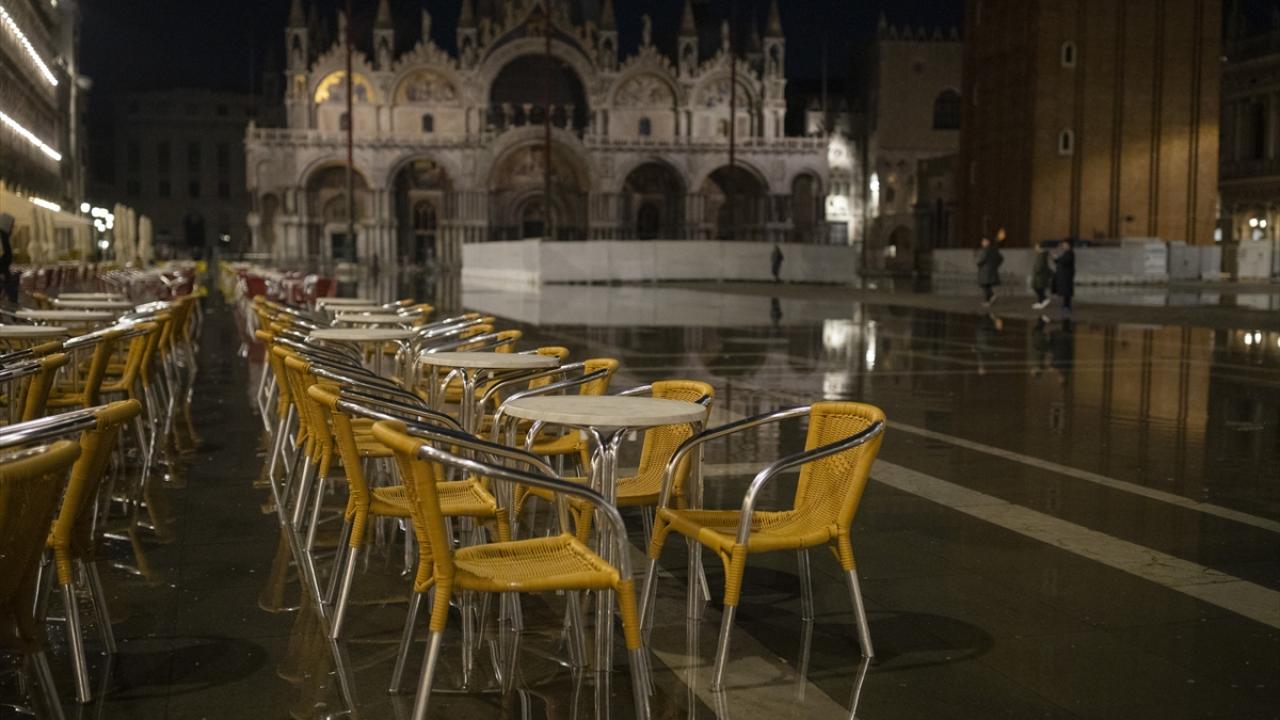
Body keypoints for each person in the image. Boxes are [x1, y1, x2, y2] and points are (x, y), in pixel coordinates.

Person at [976, 236, 1003, 306]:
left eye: (984, 241)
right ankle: (990, 299)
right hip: (991, 270)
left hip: (985, 271)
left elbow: (982, 260)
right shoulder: (994, 249)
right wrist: (995, 266)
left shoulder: (986, 250)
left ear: (988, 242)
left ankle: (991, 298)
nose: (982, 243)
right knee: (987, 286)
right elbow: (1000, 258)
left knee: (984, 285)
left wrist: (978, 264)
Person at [1052, 238, 1076, 315]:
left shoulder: (1070, 253)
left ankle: (1067, 306)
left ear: (1069, 245)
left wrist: (1057, 258)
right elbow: (1060, 261)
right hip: (1063, 275)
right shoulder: (1066, 253)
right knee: (1064, 291)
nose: (1063, 246)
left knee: (1067, 291)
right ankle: (1065, 305)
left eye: (1065, 244)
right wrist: (1055, 259)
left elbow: (1065, 261)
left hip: (1067, 275)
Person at [1031, 243, 1053, 309]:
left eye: (1036, 247)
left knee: (1039, 288)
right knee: (1038, 288)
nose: (1035, 249)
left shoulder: (1042, 255)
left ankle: (1043, 300)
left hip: (1040, 276)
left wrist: (1037, 270)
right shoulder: (1040, 255)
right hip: (1039, 276)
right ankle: (1040, 302)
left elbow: (1040, 266)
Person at [0, 212, 15, 303]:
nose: (12, 227)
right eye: (12, 225)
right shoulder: (2, 236)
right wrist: (1, 271)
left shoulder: (4, 236)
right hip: (2, 273)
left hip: (4, 273)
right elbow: (1, 255)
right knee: (11, 295)